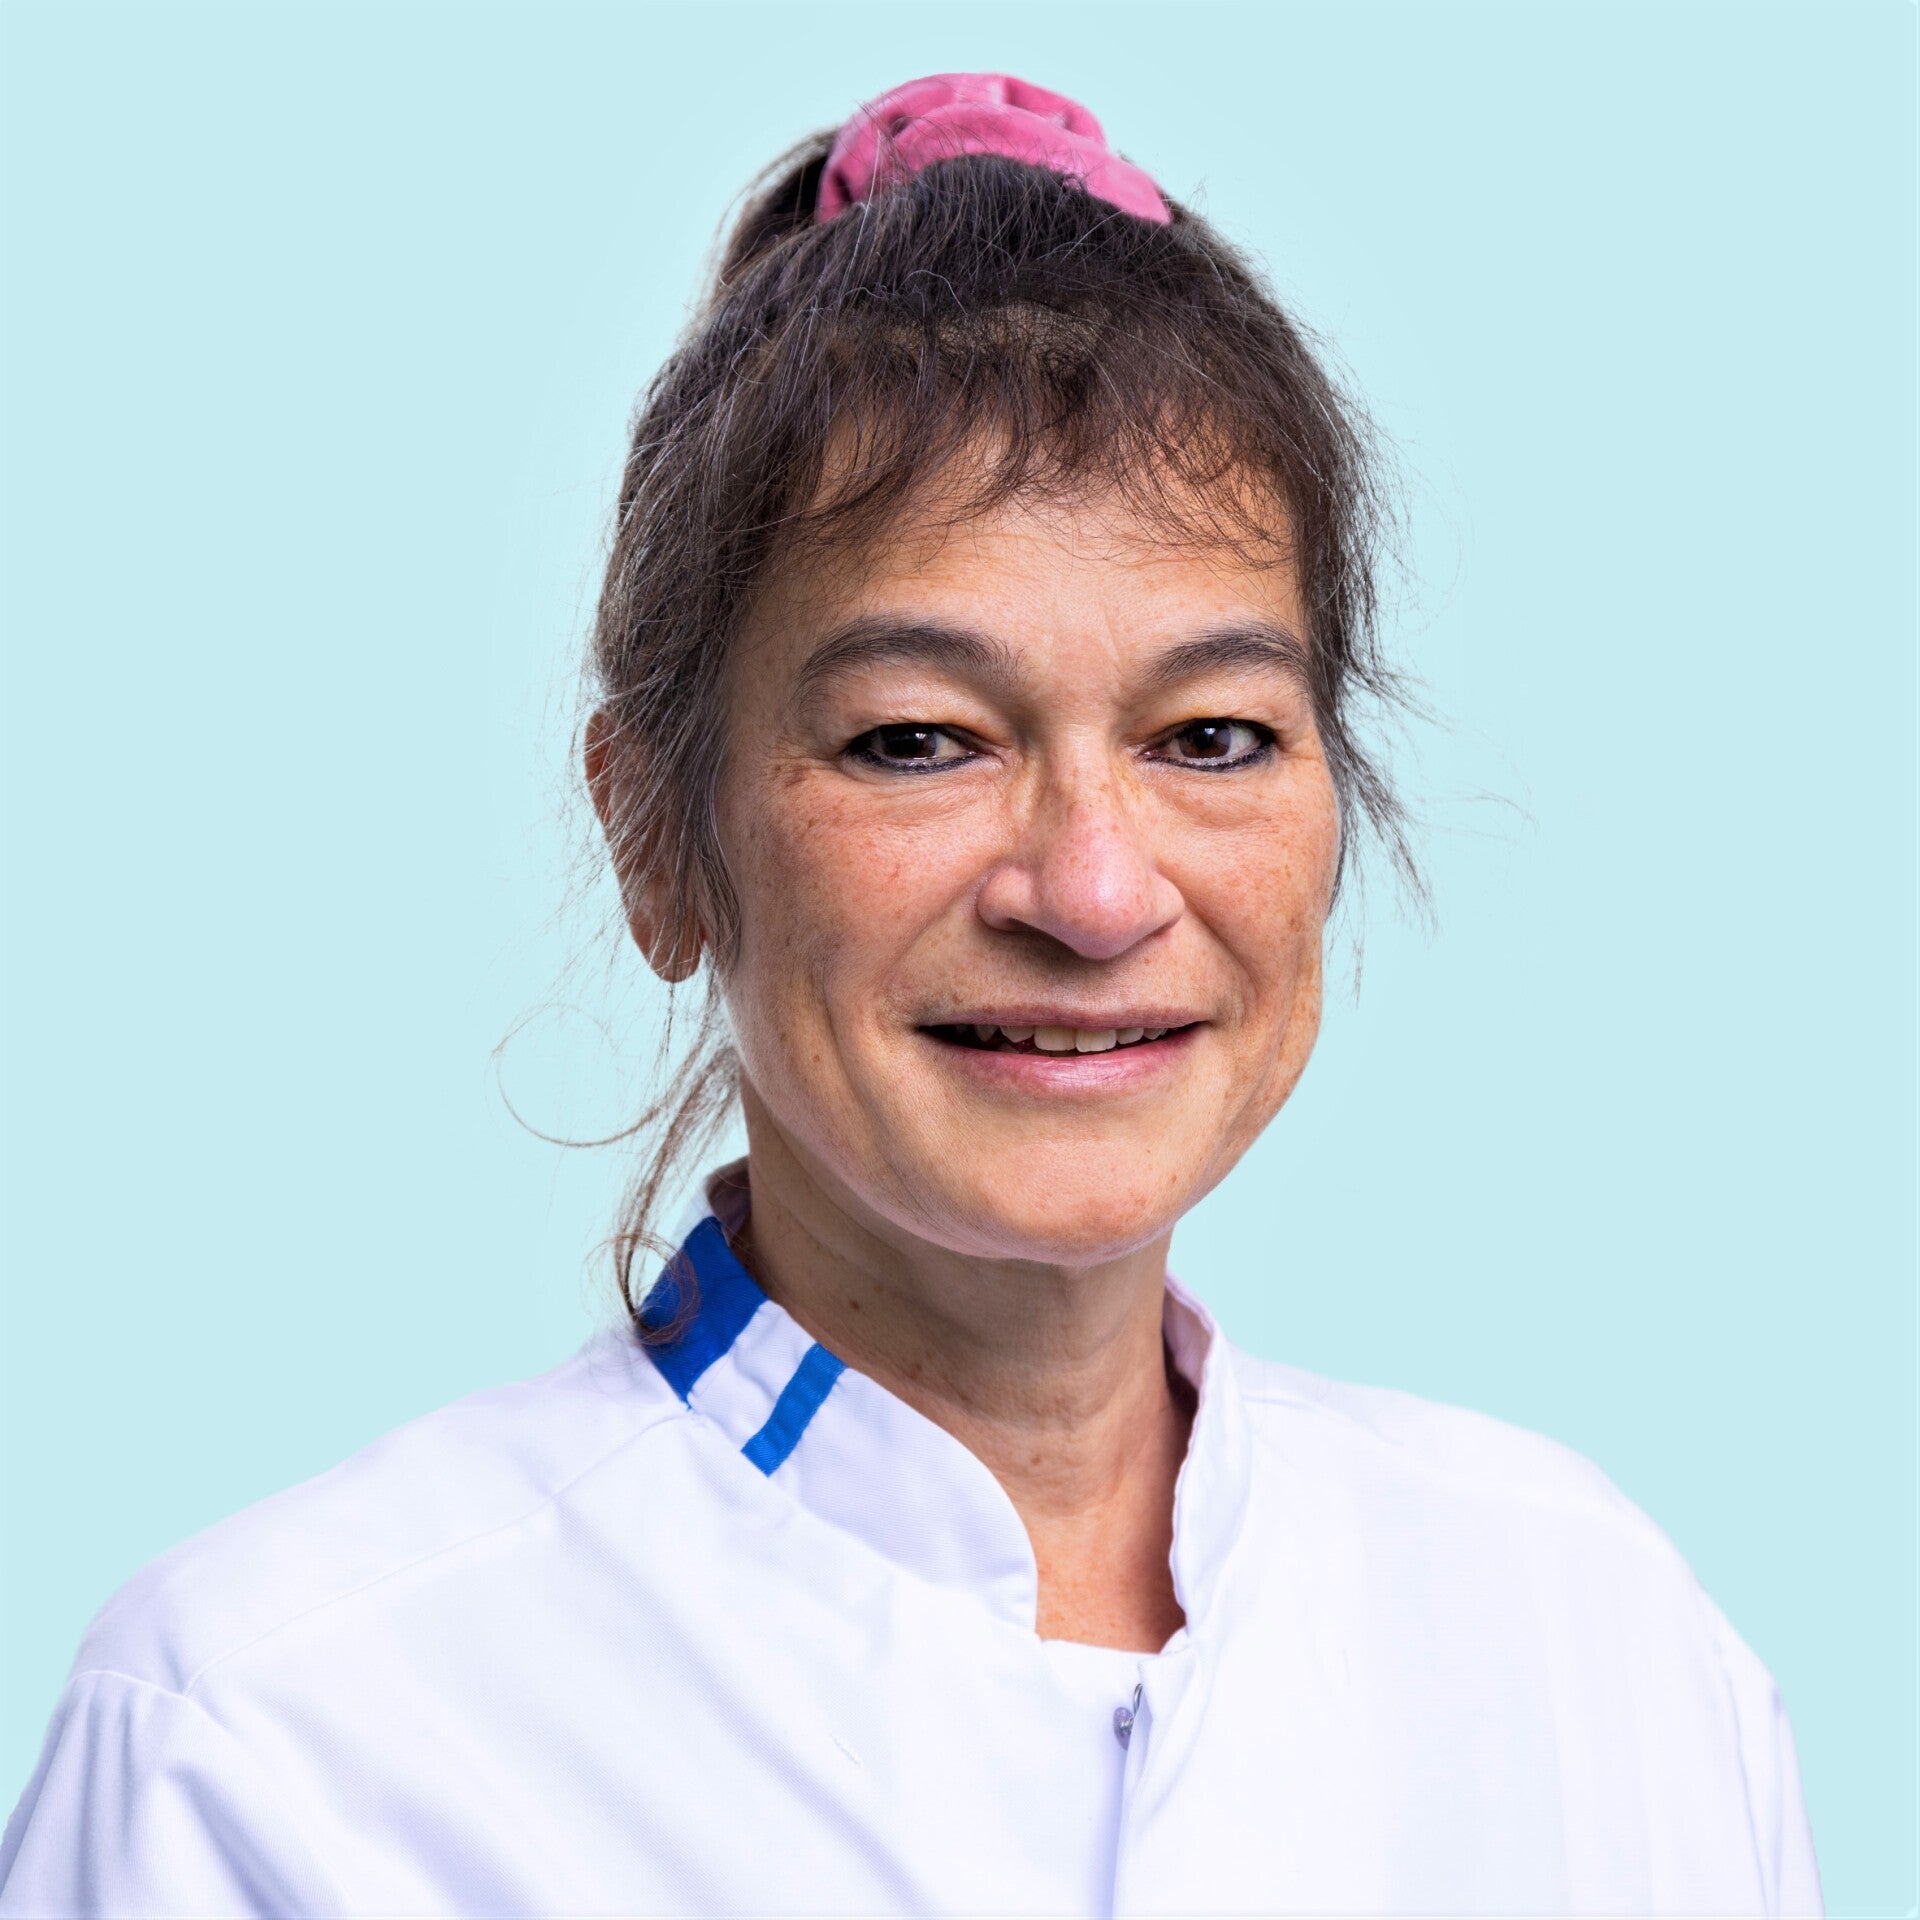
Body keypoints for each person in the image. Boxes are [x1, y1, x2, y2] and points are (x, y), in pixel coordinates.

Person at [0, 71, 1822, 1917]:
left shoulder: (1606, 1654)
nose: (1094, 893)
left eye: (1212, 735)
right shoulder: (271, 1744)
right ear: (655, 838)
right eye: (918, 739)